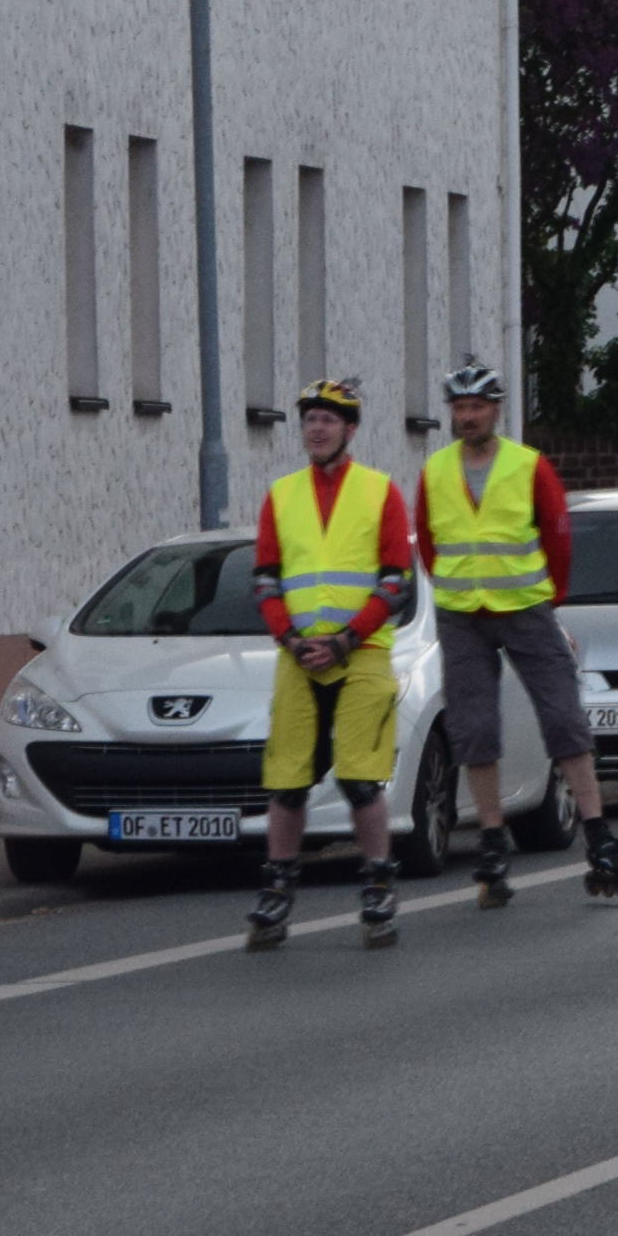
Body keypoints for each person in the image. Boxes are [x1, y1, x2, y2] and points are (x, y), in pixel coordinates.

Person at [413, 362, 618, 909]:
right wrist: (452, 586)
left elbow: (557, 534)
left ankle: (597, 831)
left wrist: (549, 596)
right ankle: (493, 839)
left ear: (496, 409)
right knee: (474, 726)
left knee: (562, 715)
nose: (466, 417)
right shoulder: (436, 470)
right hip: (461, 612)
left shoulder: (528, 466)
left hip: (525, 606)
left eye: (476, 408)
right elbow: (425, 538)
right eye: (459, 409)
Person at [246, 380, 418, 952]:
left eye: (328, 420)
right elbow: (266, 579)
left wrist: (346, 639)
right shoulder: (281, 494)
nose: (316, 428)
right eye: (310, 420)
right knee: (287, 780)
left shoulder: (380, 492)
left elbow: (396, 580)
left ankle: (377, 885)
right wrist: (292, 640)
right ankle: (276, 889)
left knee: (358, 777)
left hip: (361, 652)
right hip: (299, 655)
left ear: (350, 429)